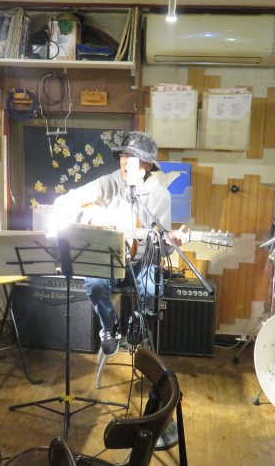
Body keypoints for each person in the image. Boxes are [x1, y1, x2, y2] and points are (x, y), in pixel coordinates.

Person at [52, 131, 185, 356]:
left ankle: (138, 323)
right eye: (124, 155)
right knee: (94, 282)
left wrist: (172, 241)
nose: (125, 161)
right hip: (110, 259)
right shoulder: (107, 183)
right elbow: (63, 202)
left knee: (153, 288)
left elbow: (164, 250)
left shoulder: (160, 195)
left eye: (133, 157)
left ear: (147, 165)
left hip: (142, 263)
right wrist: (90, 217)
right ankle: (109, 326)